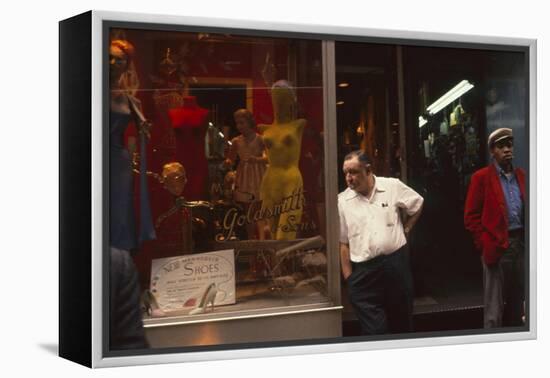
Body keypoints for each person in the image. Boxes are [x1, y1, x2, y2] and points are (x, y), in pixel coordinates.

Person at [338, 150, 423, 335]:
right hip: (364, 274)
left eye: (353, 172)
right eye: (345, 173)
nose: (348, 178)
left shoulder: (391, 186)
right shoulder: (342, 201)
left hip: (395, 267)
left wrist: (406, 229)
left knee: (402, 327)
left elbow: (417, 204)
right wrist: (349, 279)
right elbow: (343, 243)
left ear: (368, 170)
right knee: (375, 332)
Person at [464, 128, 525, 328]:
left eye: (509, 145)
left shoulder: (521, 176)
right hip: (496, 246)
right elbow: (470, 216)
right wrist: (484, 243)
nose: (507, 150)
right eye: (501, 146)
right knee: (494, 308)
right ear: (492, 151)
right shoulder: (482, 178)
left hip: (521, 244)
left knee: (519, 301)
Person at [224, 109, 267, 239]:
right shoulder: (236, 141)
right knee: (248, 212)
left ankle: (262, 239)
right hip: (244, 176)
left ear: (249, 122)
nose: (239, 126)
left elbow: (269, 157)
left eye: (242, 123)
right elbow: (230, 159)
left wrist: (257, 159)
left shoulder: (260, 139)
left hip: (258, 174)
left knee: (259, 211)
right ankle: (250, 239)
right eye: (237, 123)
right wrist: (228, 162)